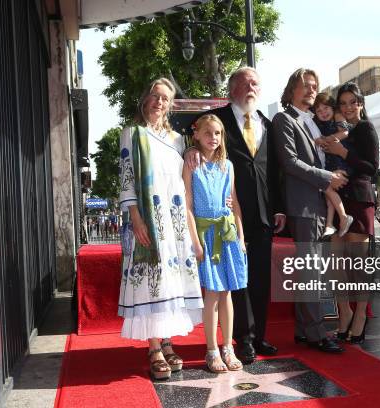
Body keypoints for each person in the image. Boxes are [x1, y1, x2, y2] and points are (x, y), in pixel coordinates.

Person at [186, 67, 285, 364]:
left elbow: (275, 169)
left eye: (255, 83)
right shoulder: (217, 120)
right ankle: (243, 338)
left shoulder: (267, 123)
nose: (251, 88)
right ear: (232, 89)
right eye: (245, 84)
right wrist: (190, 151)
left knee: (259, 278)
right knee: (235, 282)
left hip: (263, 212)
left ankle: (260, 335)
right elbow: (197, 144)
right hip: (226, 212)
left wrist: (279, 207)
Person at [118, 78, 203, 380]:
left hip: (175, 220)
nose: (159, 102)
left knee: (172, 281)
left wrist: (193, 150)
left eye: (165, 98)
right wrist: (137, 219)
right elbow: (127, 178)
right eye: (155, 96)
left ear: (170, 105)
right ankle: (153, 346)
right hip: (148, 219)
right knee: (153, 279)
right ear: (145, 99)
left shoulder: (178, 139)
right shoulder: (132, 133)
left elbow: (184, 177)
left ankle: (167, 340)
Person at [273, 68, 347, 353]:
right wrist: (328, 177)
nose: (311, 90)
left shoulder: (313, 121)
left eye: (314, 86)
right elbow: (290, 163)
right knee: (312, 271)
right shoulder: (284, 119)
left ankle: (306, 330)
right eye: (305, 86)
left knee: (309, 271)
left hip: (315, 203)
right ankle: (316, 333)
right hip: (303, 204)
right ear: (292, 89)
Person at [183, 115, 247, 373]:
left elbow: (234, 202)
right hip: (205, 233)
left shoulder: (227, 165)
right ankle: (211, 350)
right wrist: (196, 242)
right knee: (212, 293)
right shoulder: (191, 163)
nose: (214, 138)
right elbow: (187, 205)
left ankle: (228, 348)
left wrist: (241, 237)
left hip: (227, 232)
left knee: (227, 293)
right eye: (208, 132)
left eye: (218, 133)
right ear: (196, 134)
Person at [324, 82, 379, 344]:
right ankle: (344, 313)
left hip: (359, 199)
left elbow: (372, 168)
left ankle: (360, 316)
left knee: (358, 266)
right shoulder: (342, 130)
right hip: (339, 201)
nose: (347, 107)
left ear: (361, 103)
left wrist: (343, 152)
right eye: (342, 103)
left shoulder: (366, 128)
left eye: (351, 102)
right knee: (337, 266)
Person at [312, 93, 354, 237]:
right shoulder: (317, 123)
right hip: (330, 162)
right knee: (327, 193)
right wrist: (318, 141)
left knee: (327, 188)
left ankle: (342, 217)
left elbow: (345, 132)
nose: (323, 112)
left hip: (340, 161)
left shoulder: (338, 116)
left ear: (332, 107)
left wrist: (327, 139)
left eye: (325, 108)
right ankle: (330, 224)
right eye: (319, 110)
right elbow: (316, 139)